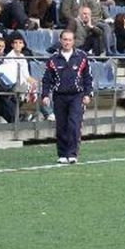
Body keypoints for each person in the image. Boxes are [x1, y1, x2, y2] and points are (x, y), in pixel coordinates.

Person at [41, 30, 93, 164]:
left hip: (77, 95)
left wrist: (88, 94)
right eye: (65, 39)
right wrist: (45, 95)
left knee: (74, 124)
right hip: (59, 96)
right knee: (61, 126)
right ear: (60, 40)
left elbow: (87, 77)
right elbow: (47, 79)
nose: (67, 42)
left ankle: (72, 154)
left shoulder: (81, 57)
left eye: (70, 40)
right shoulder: (53, 59)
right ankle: (62, 154)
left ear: (73, 41)